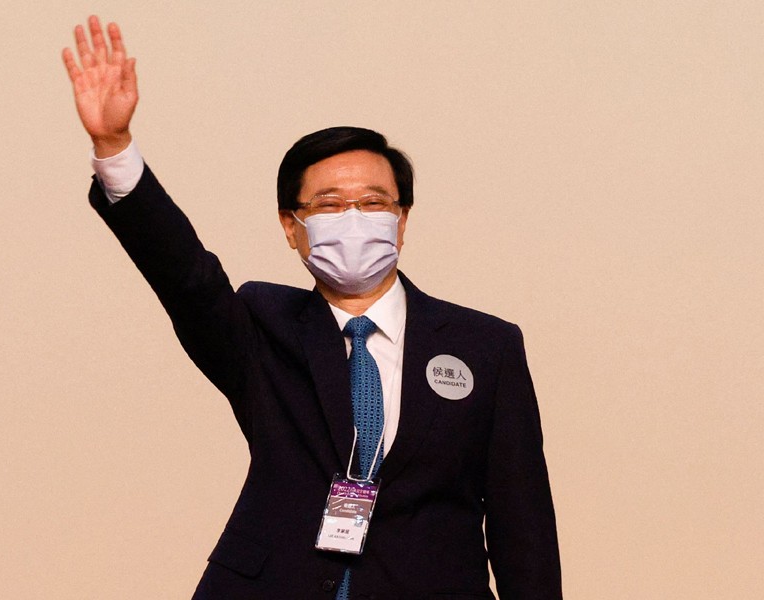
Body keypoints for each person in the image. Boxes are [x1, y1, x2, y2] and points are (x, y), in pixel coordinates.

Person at [62, 16, 562, 600]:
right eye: (329, 205)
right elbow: (184, 275)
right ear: (291, 228)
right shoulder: (262, 328)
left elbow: (522, 523)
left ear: (401, 221)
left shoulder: (486, 346)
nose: (354, 218)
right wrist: (115, 148)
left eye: (373, 202)